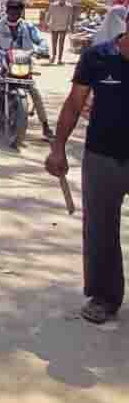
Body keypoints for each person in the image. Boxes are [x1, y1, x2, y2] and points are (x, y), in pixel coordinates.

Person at [46, 25, 129, 323]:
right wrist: (58, 148)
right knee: (100, 228)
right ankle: (104, 297)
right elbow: (74, 103)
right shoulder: (97, 57)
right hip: (102, 156)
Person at [0, 0, 54, 141]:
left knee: (34, 91)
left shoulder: (28, 27)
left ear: (21, 12)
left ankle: (45, 126)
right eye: (11, 11)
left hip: (22, 65)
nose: (13, 14)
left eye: (16, 11)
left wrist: (40, 49)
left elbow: (40, 41)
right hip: (1, 63)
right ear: (6, 11)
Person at [45, 0, 79, 65]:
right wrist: (47, 23)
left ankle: (59, 59)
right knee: (54, 43)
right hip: (54, 26)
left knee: (61, 44)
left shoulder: (69, 7)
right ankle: (53, 56)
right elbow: (48, 15)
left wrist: (70, 26)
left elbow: (70, 18)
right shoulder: (53, 5)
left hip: (63, 27)